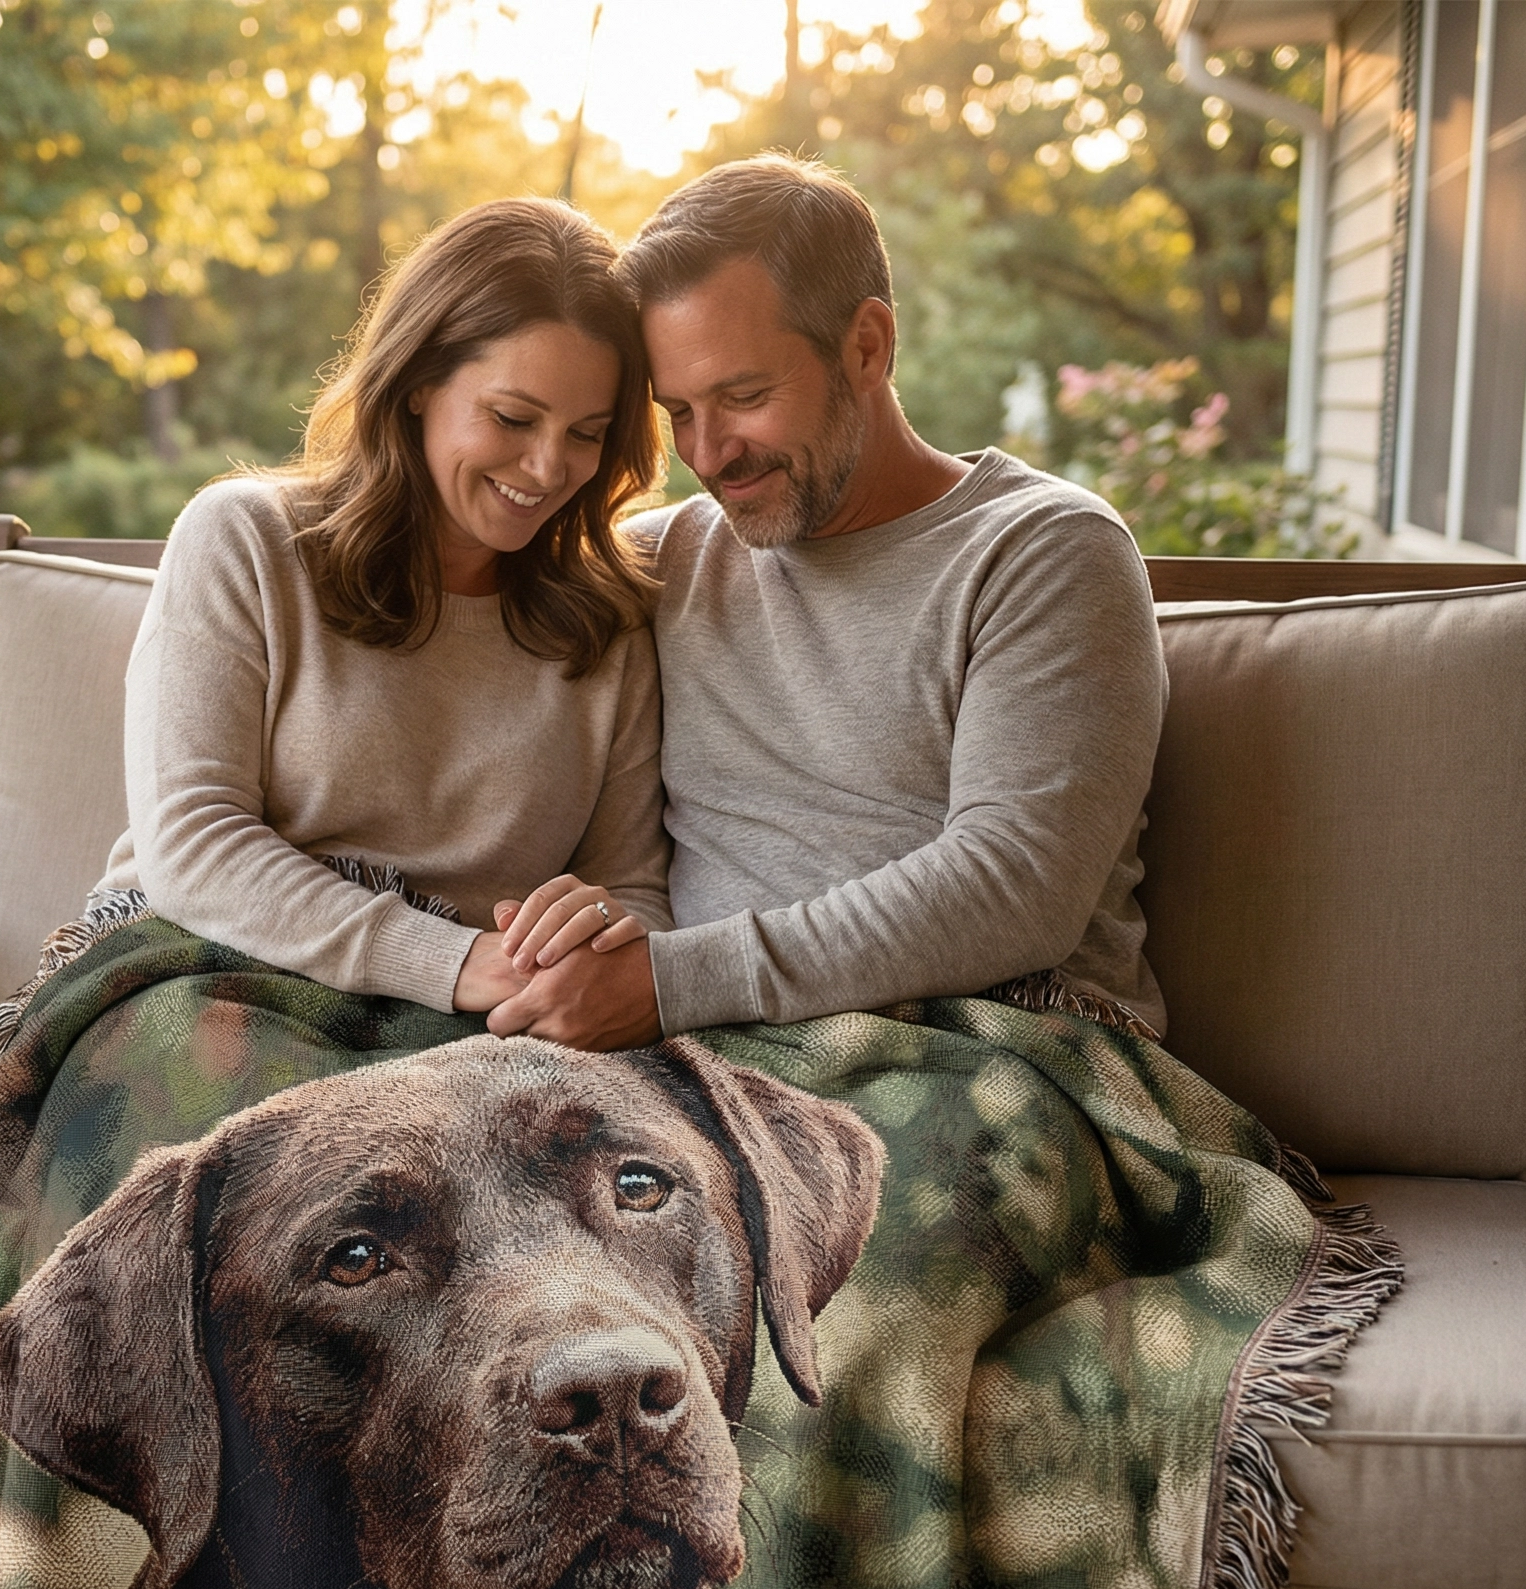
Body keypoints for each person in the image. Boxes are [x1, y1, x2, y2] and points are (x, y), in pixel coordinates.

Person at [486, 156, 1169, 1052]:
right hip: (718, 1056)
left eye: (744, 396)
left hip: (1007, 1046)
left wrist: (667, 981)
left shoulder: (1043, 550)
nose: (711, 451)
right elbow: (445, 580)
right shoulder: (669, 560)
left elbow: (1016, 887)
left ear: (868, 347)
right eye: (678, 411)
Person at [91, 198, 671, 1010]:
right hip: (202, 976)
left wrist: (592, 941)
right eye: (513, 417)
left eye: (588, 433)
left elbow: (634, 889)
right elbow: (192, 845)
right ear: (417, 384)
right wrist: (454, 961)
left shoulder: (608, 618)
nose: (547, 468)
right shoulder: (247, 541)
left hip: (470, 1021)